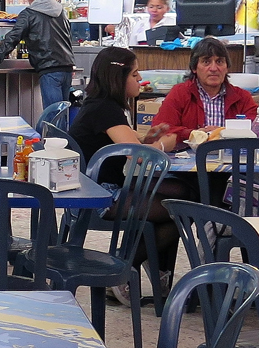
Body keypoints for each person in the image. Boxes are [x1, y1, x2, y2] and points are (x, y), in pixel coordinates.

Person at [68, 46, 194, 303]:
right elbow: (137, 157)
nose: (140, 80)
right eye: (135, 75)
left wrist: (147, 138)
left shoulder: (102, 105)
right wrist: (161, 146)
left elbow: (124, 143)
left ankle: (145, 262)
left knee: (183, 193)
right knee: (182, 210)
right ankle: (124, 265)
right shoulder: (106, 109)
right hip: (100, 194)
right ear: (118, 78)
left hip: (97, 184)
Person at [0, 0, 75, 109]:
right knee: (62, 114)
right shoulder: (61, 12)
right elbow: (67, 37)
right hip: (67, 68)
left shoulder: (29, 14)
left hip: (50, 70)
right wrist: (71, 63)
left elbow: (12, 38)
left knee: (54, 117)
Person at [149, 36, 257, 149]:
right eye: (206, 62)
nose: (214, 68)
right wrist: (193, 134)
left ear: (227, 67)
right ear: (194, 68)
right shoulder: (179, 93)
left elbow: (257, 130)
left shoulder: (242, 97)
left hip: (230, 158)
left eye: (219, 61)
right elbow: (159, 130)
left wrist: (224, 132)